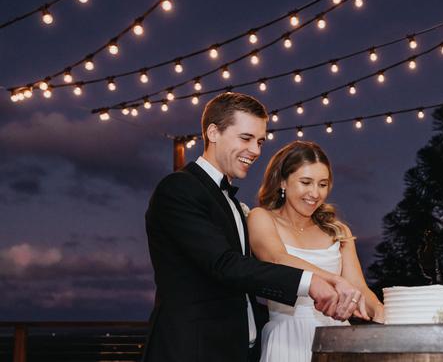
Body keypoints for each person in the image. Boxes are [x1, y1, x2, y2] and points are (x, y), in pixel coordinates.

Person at [142, 93, 363, 362]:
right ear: (213, 132)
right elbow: (225, 265)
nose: (256, 151)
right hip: (191, 349)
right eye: (245, 138)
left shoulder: (232, 203)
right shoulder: (179, 188)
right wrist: (311, 281)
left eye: (259, 142)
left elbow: (245, 282)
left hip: (235, 350)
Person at [247, 140, 384, 362]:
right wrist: (335, 281)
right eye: (306, 182)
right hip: (287, 339)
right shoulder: (261, 218)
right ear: (283, 181)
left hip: (337, 339)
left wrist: (378, 310)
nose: (315, 193)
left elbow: (358, 286)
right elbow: (277, 258)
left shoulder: (338, 231)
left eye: (322, 184)